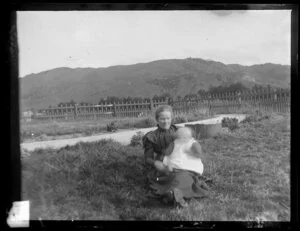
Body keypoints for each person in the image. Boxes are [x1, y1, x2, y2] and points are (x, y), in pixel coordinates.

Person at [142, 105, 210, 207]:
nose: (165, 121)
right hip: (163, 165)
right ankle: (175, 194)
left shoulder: (178, 131)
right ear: (157, 119)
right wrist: (157, 164)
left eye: (168, 118)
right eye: (162, 119)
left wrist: (194, 153)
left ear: (171, 118)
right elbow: (147, 158)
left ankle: (172, 193)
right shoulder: (151, 137)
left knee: (183, 176)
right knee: (167, 177)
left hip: (181, 163)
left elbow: (191, 143)